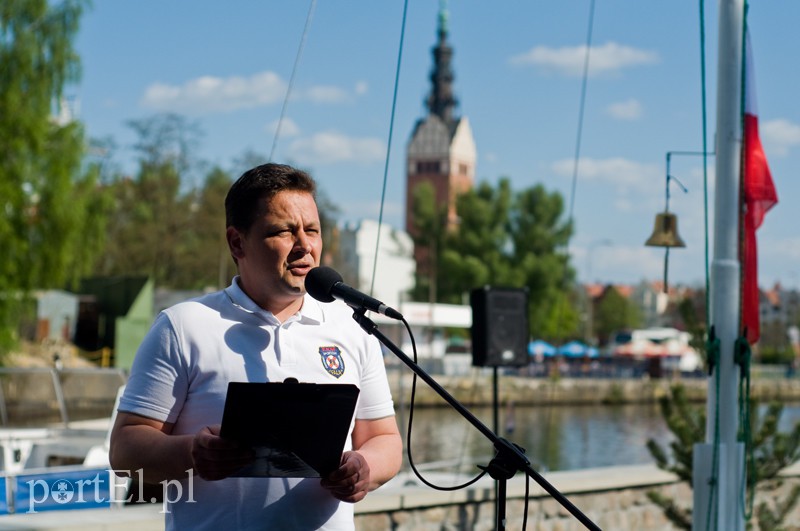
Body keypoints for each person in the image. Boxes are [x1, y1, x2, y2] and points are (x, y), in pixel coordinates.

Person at [109, 163, 402, 530]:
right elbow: (124, 451)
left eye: (312, 230)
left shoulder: (353, 329)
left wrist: (364, 468)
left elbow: (383, 439)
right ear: (237, 242)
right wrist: (191, 453)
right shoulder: (183, 326)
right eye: (284, 231)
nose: (305, 246)